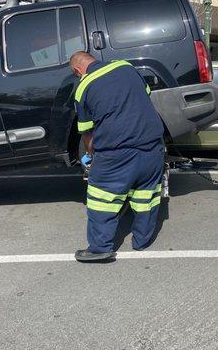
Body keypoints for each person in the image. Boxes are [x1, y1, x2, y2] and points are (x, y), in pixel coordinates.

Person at [69, 51, 165, 262]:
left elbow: (87, 132)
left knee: (101, 199)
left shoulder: (84, 87)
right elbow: (144, 94)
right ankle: (141, 241)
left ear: (78, 70)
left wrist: (90, 155)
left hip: (117, 154)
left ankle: (100, 248)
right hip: (152, 147)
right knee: (146, 196)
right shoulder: (126, 66)